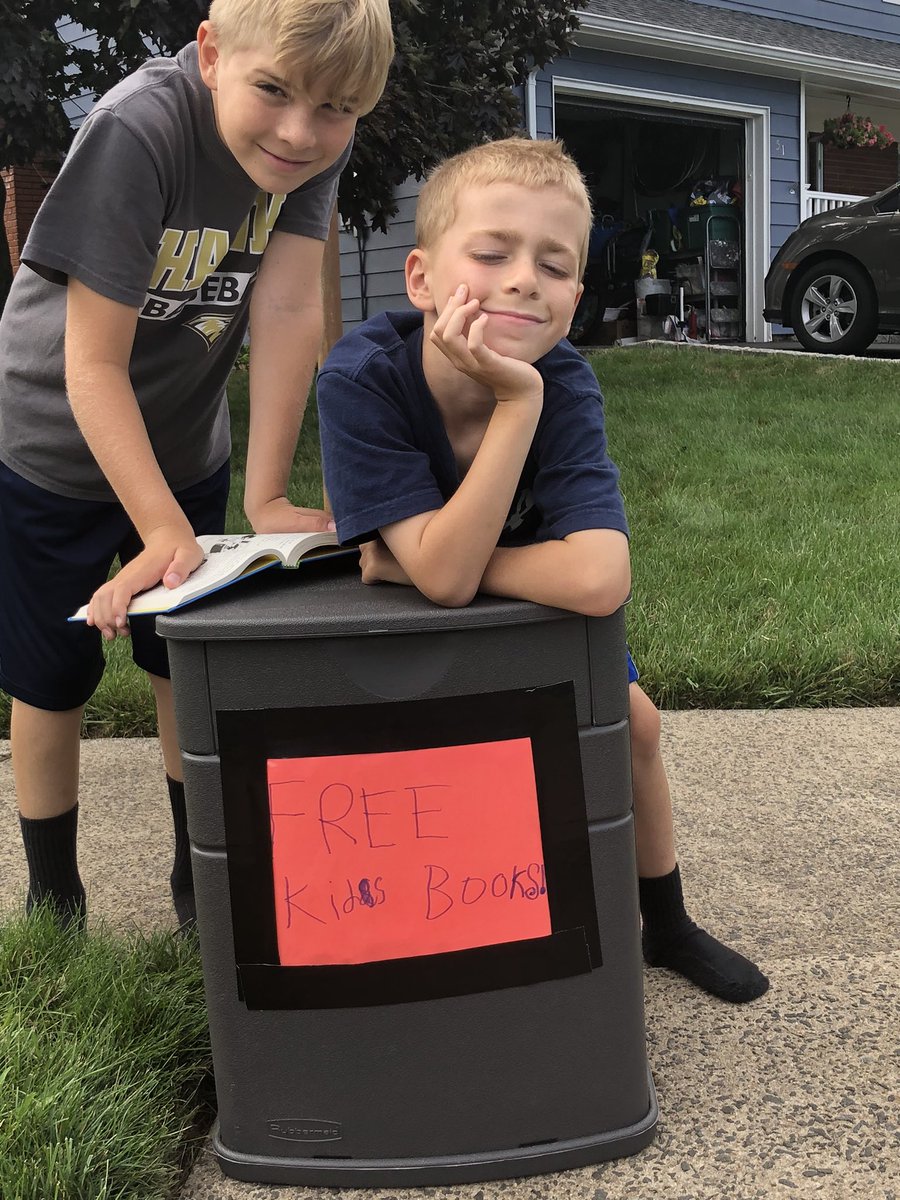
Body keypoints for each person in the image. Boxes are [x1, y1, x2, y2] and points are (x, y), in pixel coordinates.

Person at [317, 137, 768, 1004]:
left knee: (633, 724)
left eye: (555, 265)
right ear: (420, 279)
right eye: (492, 254)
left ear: (574, 292)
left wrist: (516, 405)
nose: (525, 278)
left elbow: (598, 578)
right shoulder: (361, 379)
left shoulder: (560, 381)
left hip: (520, 601)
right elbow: (444, 587)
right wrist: (437, 568)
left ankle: (666, 922)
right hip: (419, 629)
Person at [0, 0, 394, 929]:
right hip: (50, 445)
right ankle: (54, 898)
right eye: (275, 92)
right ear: (212, 54)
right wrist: (164, 531)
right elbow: (90, 363)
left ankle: (197, 885)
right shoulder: (139, 130)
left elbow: (291, 311)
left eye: (336, 109)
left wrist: (264, 494)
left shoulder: (313, 146)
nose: (302, 132)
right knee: (50, 676)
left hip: (183, 441)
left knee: (185, 661)